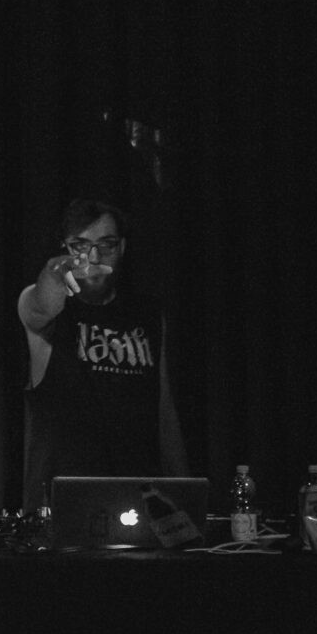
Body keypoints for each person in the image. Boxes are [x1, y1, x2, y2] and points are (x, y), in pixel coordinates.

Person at [18, 198, 189, 509]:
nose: (93, 257)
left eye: (106, 245)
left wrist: (183, 494)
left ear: (121, 247)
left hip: (140, 497)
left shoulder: (147, 314)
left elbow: (164, 411)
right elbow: (40, 306)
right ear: (64, 247)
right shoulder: (49, 310)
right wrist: (55, 273)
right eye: (80, 246)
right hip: (64, 501)